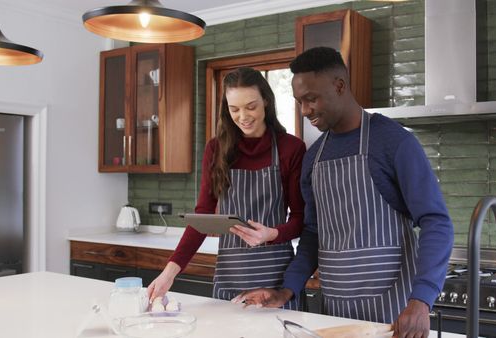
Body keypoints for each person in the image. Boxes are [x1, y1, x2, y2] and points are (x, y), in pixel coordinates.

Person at [234, 47, 454, 337]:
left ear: (339, 86)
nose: (305, 110)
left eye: (311, 99)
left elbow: (436, 221)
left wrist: (421, 301)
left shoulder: (394, 142)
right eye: (299, 101)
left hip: (394, 316)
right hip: (334, 315)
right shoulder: (314, 158)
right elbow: (313, 233)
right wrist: (286, 290)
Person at [147, 67, 306, 310]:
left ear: (266, 100)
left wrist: (271, 234)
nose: (243, 116)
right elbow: (202, 218)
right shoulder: (216, 150)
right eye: (235, 109)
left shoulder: (290, 149)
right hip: (229, 279)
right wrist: (169, 273)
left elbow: (299, 219)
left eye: (251, 106)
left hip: (276, 284)